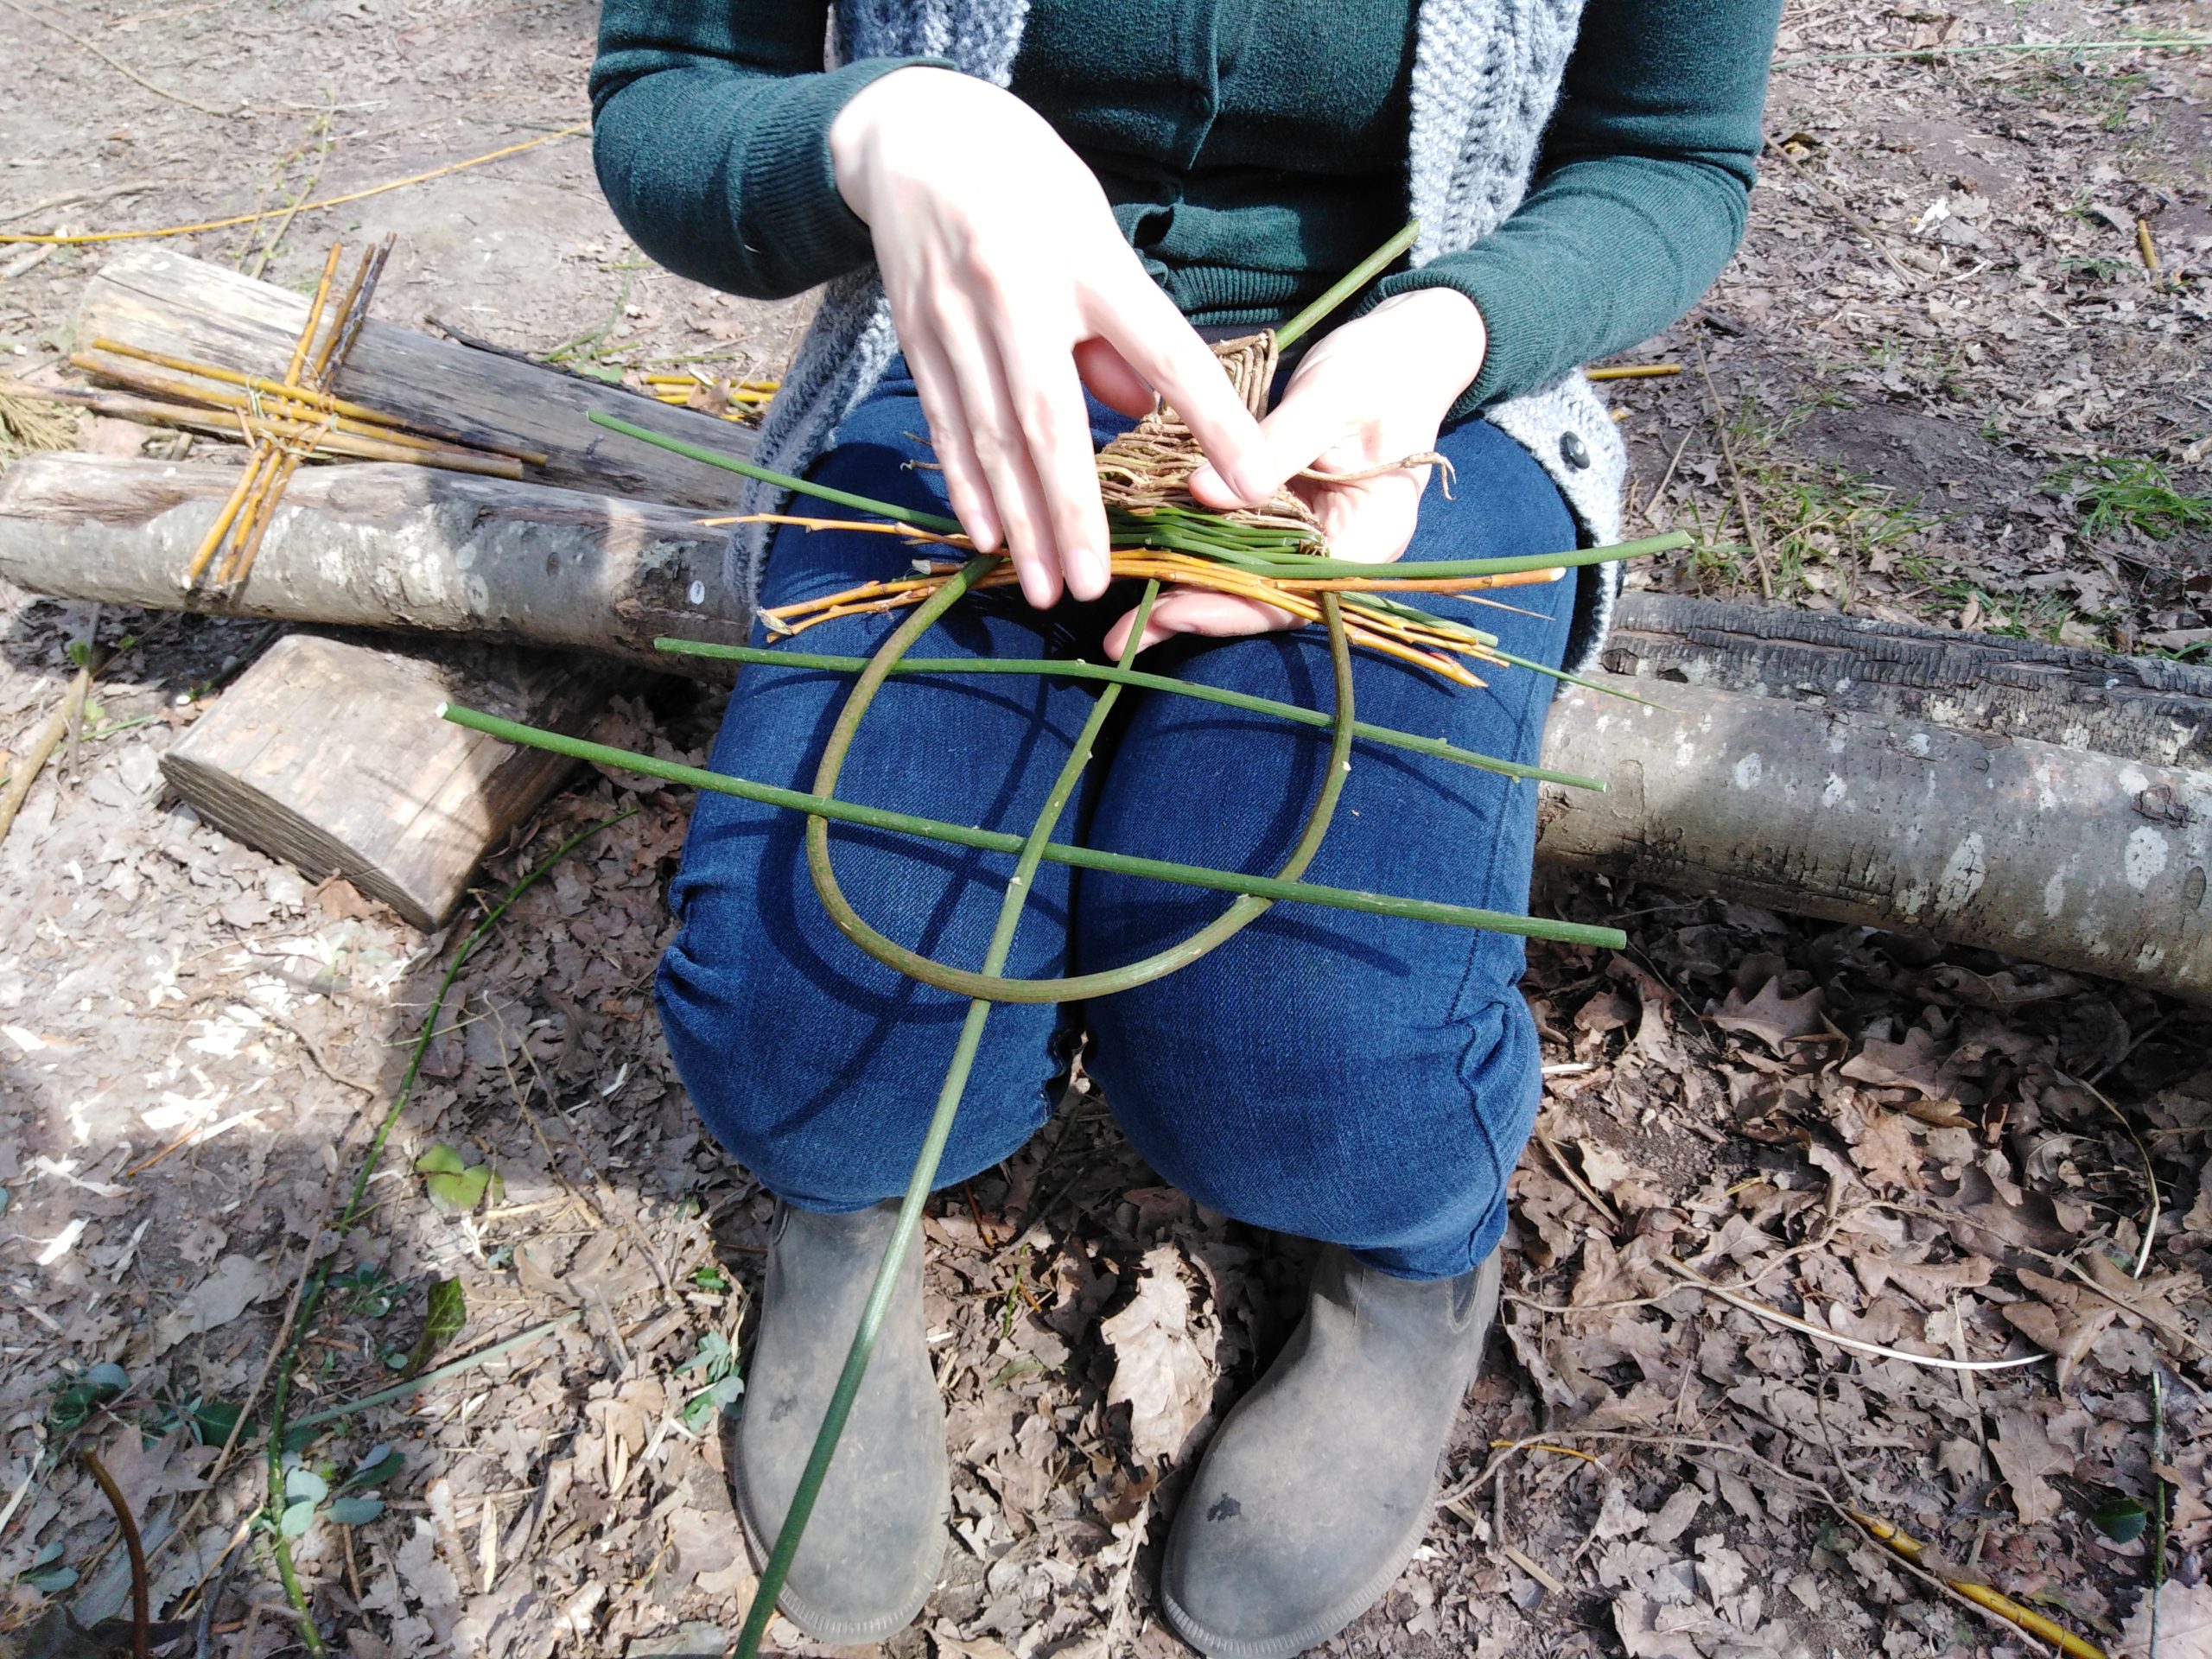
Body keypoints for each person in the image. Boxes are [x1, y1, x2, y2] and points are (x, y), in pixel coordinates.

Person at [591, 1, 1778, 1651]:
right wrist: (878, 135)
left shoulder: (1429, 364)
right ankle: (853, 1211)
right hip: (965, 392)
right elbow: (667, 105)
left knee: (1309, 1050)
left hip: (1412, 416)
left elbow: (1669, 160)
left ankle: (1410, 1261)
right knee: (823, 1027)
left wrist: (1448, 333)